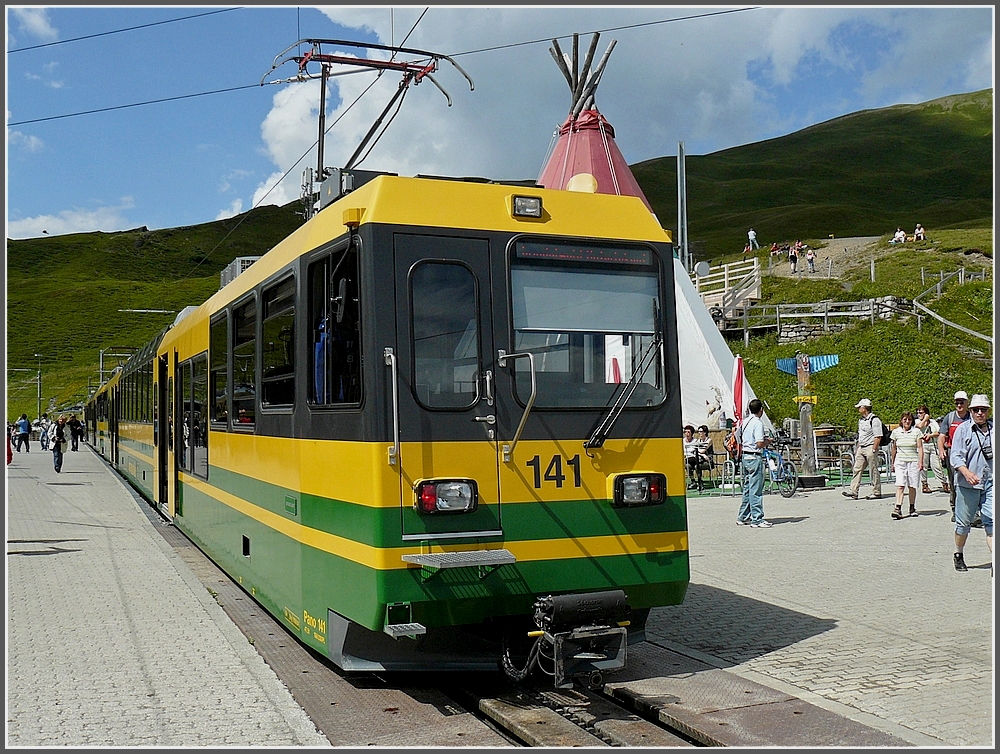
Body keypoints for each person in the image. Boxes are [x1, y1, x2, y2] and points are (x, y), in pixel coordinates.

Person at [948, 394, 993, 573]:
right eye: (976, 410)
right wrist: (966, 473)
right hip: (968, 485)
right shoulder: (963, 430)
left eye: (983, 409)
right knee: (963, 524)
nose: (980, 413)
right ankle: (958, 553)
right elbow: (956, 457)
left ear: (988, 411)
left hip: (990, 483)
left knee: (991, 523)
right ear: (971, 411)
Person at [737, 399, 772, 528]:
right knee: (755, 489)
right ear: (761, 410)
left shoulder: (745, 421)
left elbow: (738, 436)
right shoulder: (758, 423)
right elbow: (759, 443)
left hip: (745, 456)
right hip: (755, 456)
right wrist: (767, 442)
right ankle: (757, 519)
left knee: (747, 488)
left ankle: (743, 516)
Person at [843, 398, 884, 500]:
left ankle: (876, 491)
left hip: (870, 447)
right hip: (862, 447)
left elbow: (878, 436)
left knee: (873, 470)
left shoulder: (875, 420)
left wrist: (874, 449)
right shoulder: (861, 420)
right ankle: (853, 491)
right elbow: (861, 435)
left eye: (860, 407)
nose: (858, 409)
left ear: (864, 408)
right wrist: (858, 448)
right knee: (857, 468)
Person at [939, 391, 972, 519]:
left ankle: (972, 512)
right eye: (957, 402)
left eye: (961, 402)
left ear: (966, 403)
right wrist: (941, 450)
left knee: (971, 482)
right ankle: (955, 510)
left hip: (969, 453)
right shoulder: (950, 417)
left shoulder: (971, 417)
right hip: (953, 453)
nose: (959, 405)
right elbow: (942, 435)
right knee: (954, 483)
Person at [890, 411, 924, 519]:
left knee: (912, 485)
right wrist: (893, 462)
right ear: (901, 421)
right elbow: (894, 448)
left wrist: (920, 461)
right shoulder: (896, 432)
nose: (907, 422)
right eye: (905, 419)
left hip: (913, 461)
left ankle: (912, 507)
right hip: (900, 461)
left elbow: (919, 447)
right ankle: (898, 507)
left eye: (909, 420)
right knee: (900, 484)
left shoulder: (916, 432)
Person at [915, 405, 945, 493]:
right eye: (918, 413)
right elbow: (920, 426)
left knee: (937, 465)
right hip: (923, 445)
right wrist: (925, 419)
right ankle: (924, 484)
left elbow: (939, 432)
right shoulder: (916, 421)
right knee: (923, 465)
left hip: (933, 445)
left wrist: (930, 435)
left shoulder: (932, 422)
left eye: (921, 413)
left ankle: (944, 483)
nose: (919, 414)